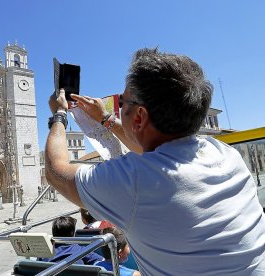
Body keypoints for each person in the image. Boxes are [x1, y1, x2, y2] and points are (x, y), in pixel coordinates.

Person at [45, 48, 265, 275]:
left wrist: (59, 114)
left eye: (122, 102)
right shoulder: (224, 153)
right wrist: (105, 118)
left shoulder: (135, 181)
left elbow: (55, 171)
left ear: (139, 117)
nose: (120, 108)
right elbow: (153, 147)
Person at [38, 216, 104, 265]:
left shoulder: (44, 252)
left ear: (53, 232)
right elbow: (101, 260)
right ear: (72, 233)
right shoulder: (81, 250)